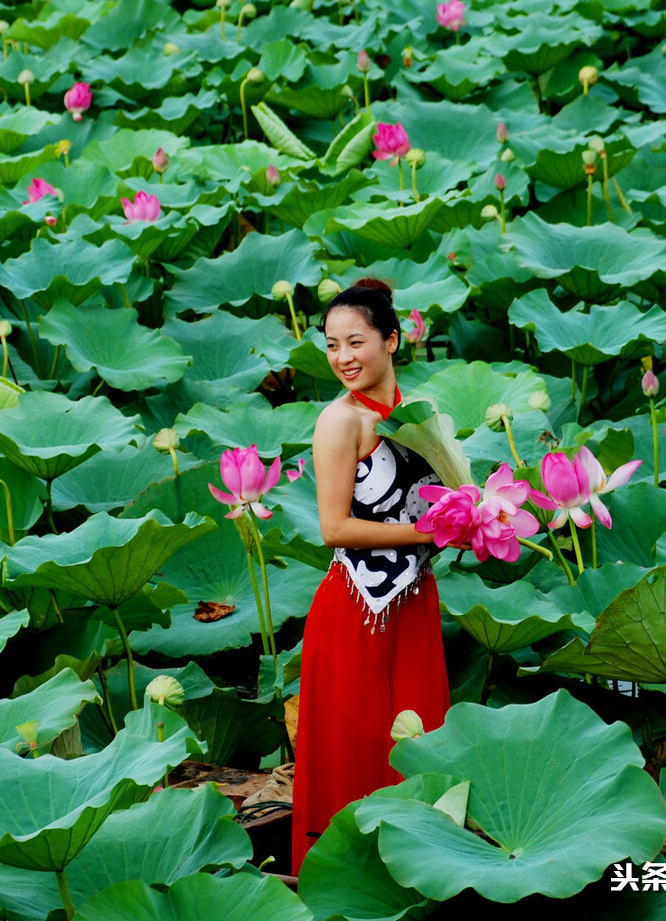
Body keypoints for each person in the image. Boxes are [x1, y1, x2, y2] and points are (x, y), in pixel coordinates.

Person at [289, 278, 451, 876]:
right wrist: (431, 534)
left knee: (418, 743)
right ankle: (350, 886)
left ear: (392, 339)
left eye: (355, 342)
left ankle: (421, 876)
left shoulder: (420, 414)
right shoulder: (339, 422)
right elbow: (334, 528)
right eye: (332, 346)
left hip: (414, 602)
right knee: (356, 754)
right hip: (355, 611)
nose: (343, 358)